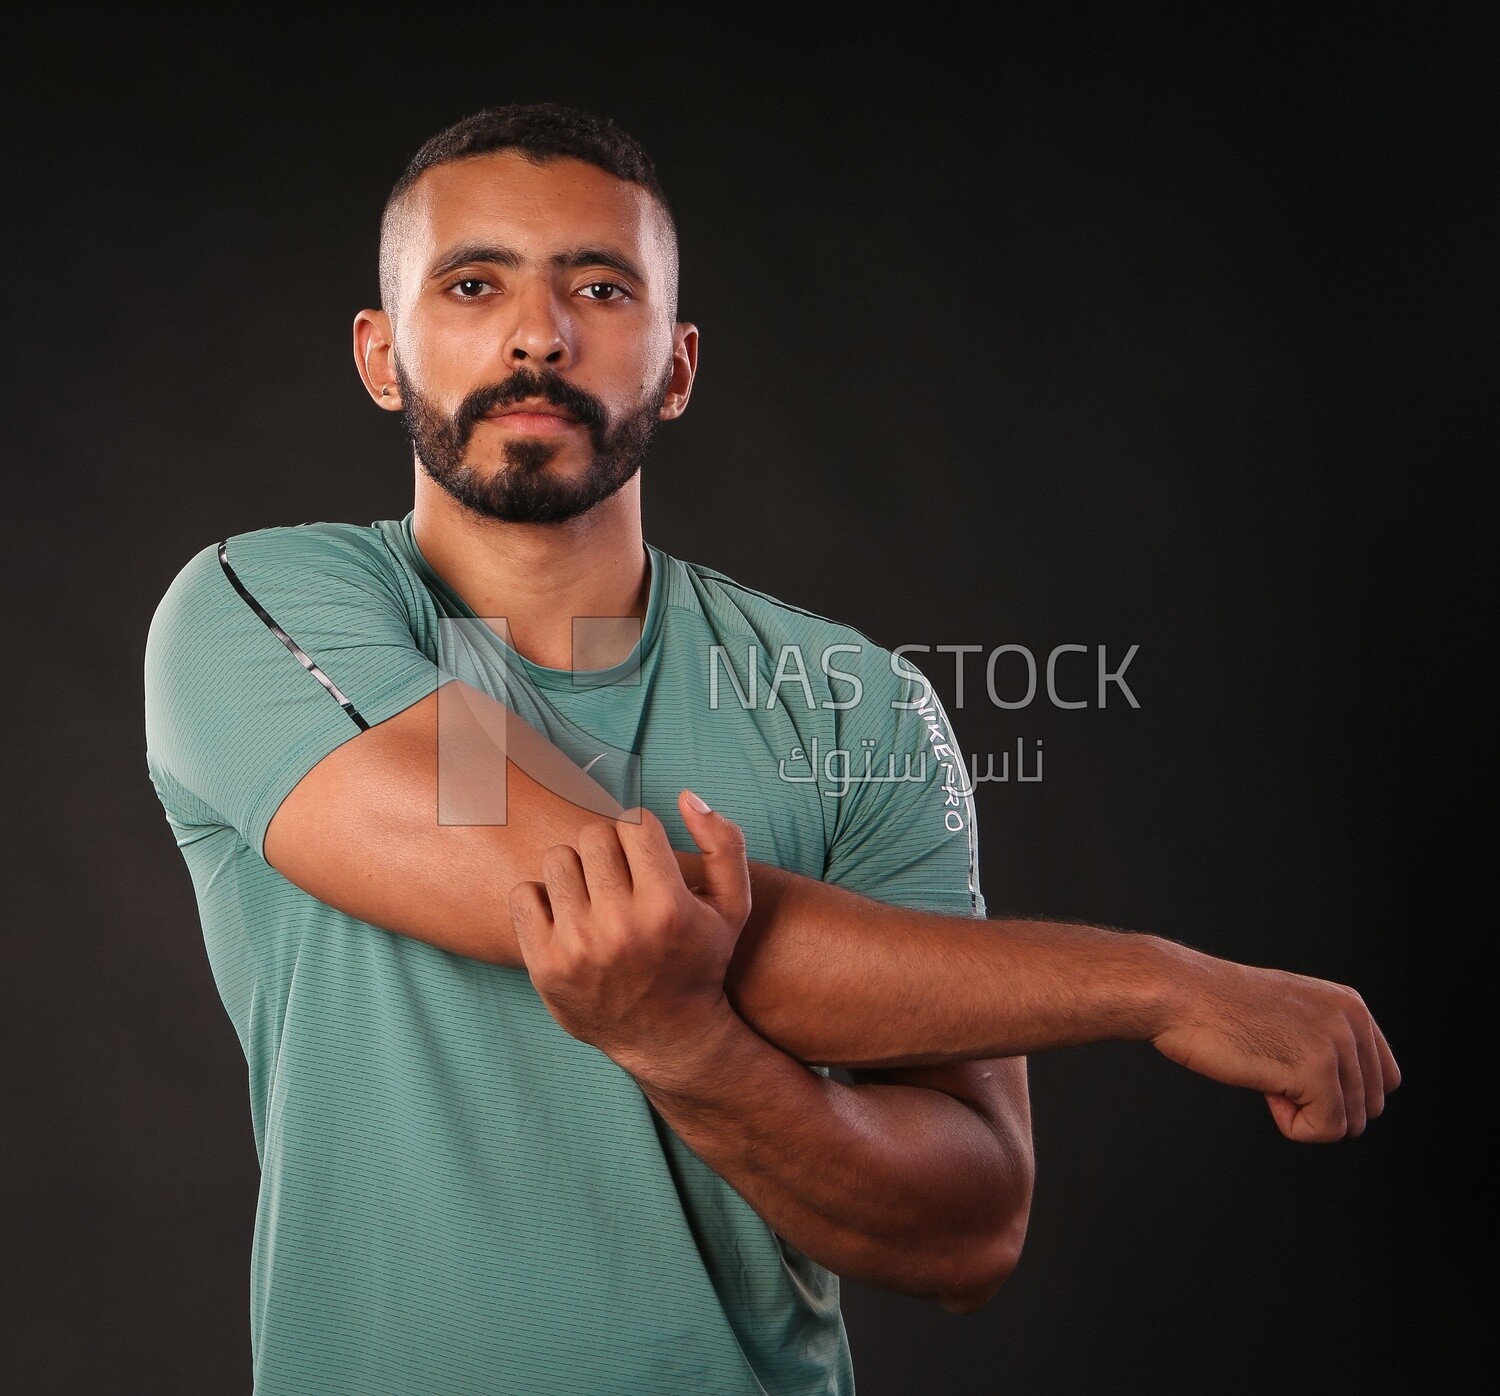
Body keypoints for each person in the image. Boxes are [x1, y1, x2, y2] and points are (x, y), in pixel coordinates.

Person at [143, 103, 1398, 1396]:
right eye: (473, 286)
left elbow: (967, 1234)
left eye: (601, 286)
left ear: (678, 367)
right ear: (381, 354)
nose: (538, 334)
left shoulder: (858, 705)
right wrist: (1158, 985)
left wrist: (693, 1051)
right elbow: (594, 895)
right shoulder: (259, 609)